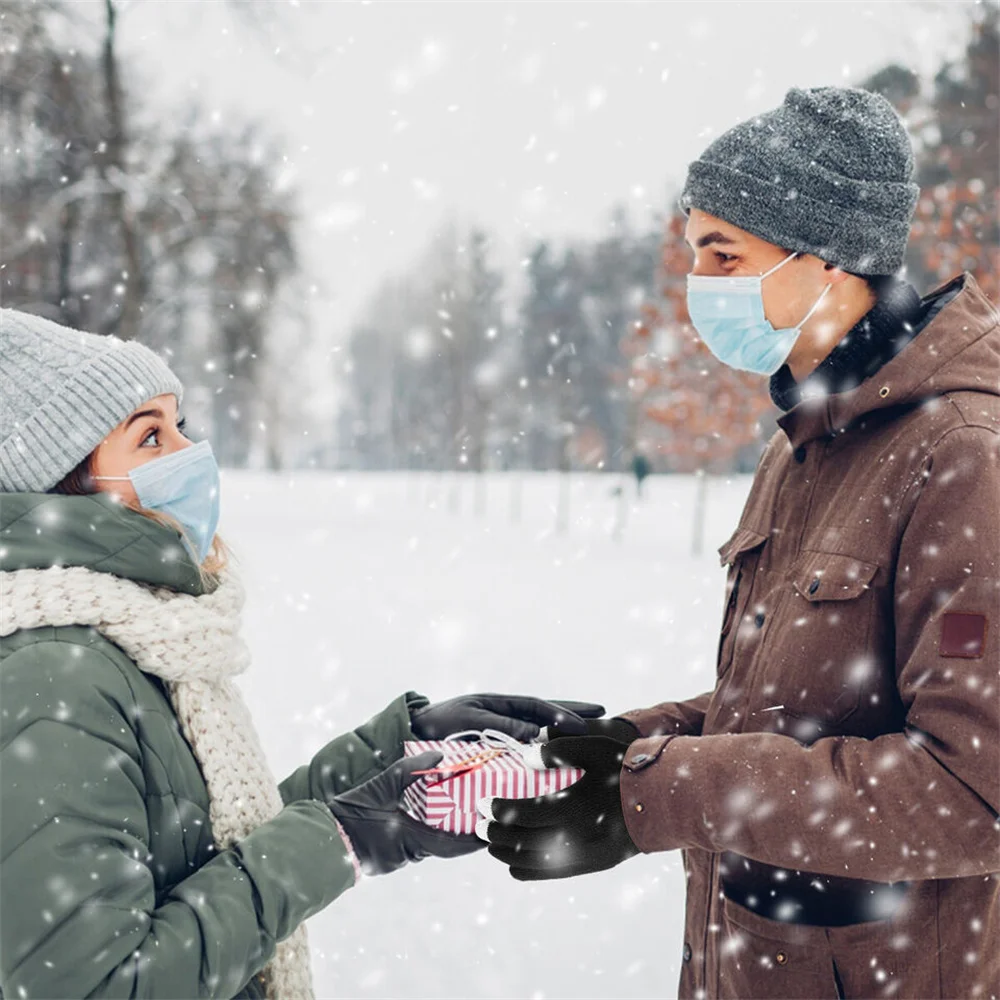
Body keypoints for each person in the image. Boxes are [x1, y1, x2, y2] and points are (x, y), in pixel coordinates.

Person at [482, 86, 1000, 999]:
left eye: (726, 255)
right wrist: (629, 746)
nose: (700, 285)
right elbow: (792, 706)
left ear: (834, 259)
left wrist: (659, 794)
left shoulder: (962, 459)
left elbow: (970, 791)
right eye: (693, 255)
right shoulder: (803, 440)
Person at [0, 307, 604, 1000]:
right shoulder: (54, 679)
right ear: (68, 484)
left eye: (180, 425)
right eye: (151, 437)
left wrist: (393, 750)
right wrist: (345, 835)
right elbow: (92, 987)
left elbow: (197, 853)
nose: (190, 454)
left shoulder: (123, 637)